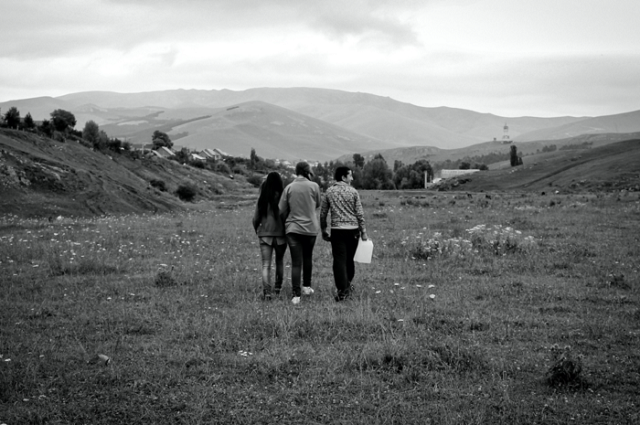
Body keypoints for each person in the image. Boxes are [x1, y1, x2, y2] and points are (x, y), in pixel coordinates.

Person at [320, 166, 368, 301]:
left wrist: (323, 229)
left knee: (339, 261)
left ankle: (343, 290)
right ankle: (347, 285)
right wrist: (363, 231)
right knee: (349, 260)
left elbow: (323, 213)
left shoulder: (329, 191)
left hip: (337, 231)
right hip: (353, 230)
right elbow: (359, 212)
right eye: (350, 176)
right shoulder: (353, 192)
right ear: (343, 177)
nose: (352, 178)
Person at [278, 162, 322, 305]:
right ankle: (307, 287)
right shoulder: (314, 186)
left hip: (293, 229)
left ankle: (296, 295)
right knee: (308, 257)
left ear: (297, 172)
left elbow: (281, 209)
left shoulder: (289, 187)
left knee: (296, 262)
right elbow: (317, 204)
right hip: (310, 228)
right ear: (307, 171)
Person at [252, 172, 287, 300]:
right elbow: (285, 216)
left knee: (266, 265)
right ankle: (278, 289)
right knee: (279, 262)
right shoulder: (283, 197)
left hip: (265, 234)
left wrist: (257, 229)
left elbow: (256, 217)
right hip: (281, 235)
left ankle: (267, 293)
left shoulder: (262, 197)